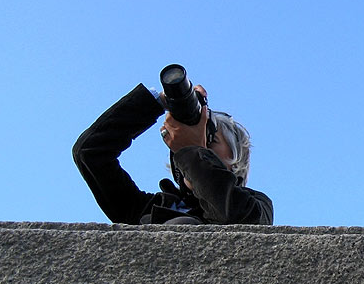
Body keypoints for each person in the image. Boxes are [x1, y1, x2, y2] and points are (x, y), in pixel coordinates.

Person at [73, 80, 273, 225]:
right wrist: (159, 102)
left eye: (209, 139)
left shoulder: (255, 205)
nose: (200, 144)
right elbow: (90, 152)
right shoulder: (149, 209)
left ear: (236, 159)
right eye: (187, 139)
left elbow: (235, 218)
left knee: (183, 226)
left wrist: (191, 149)